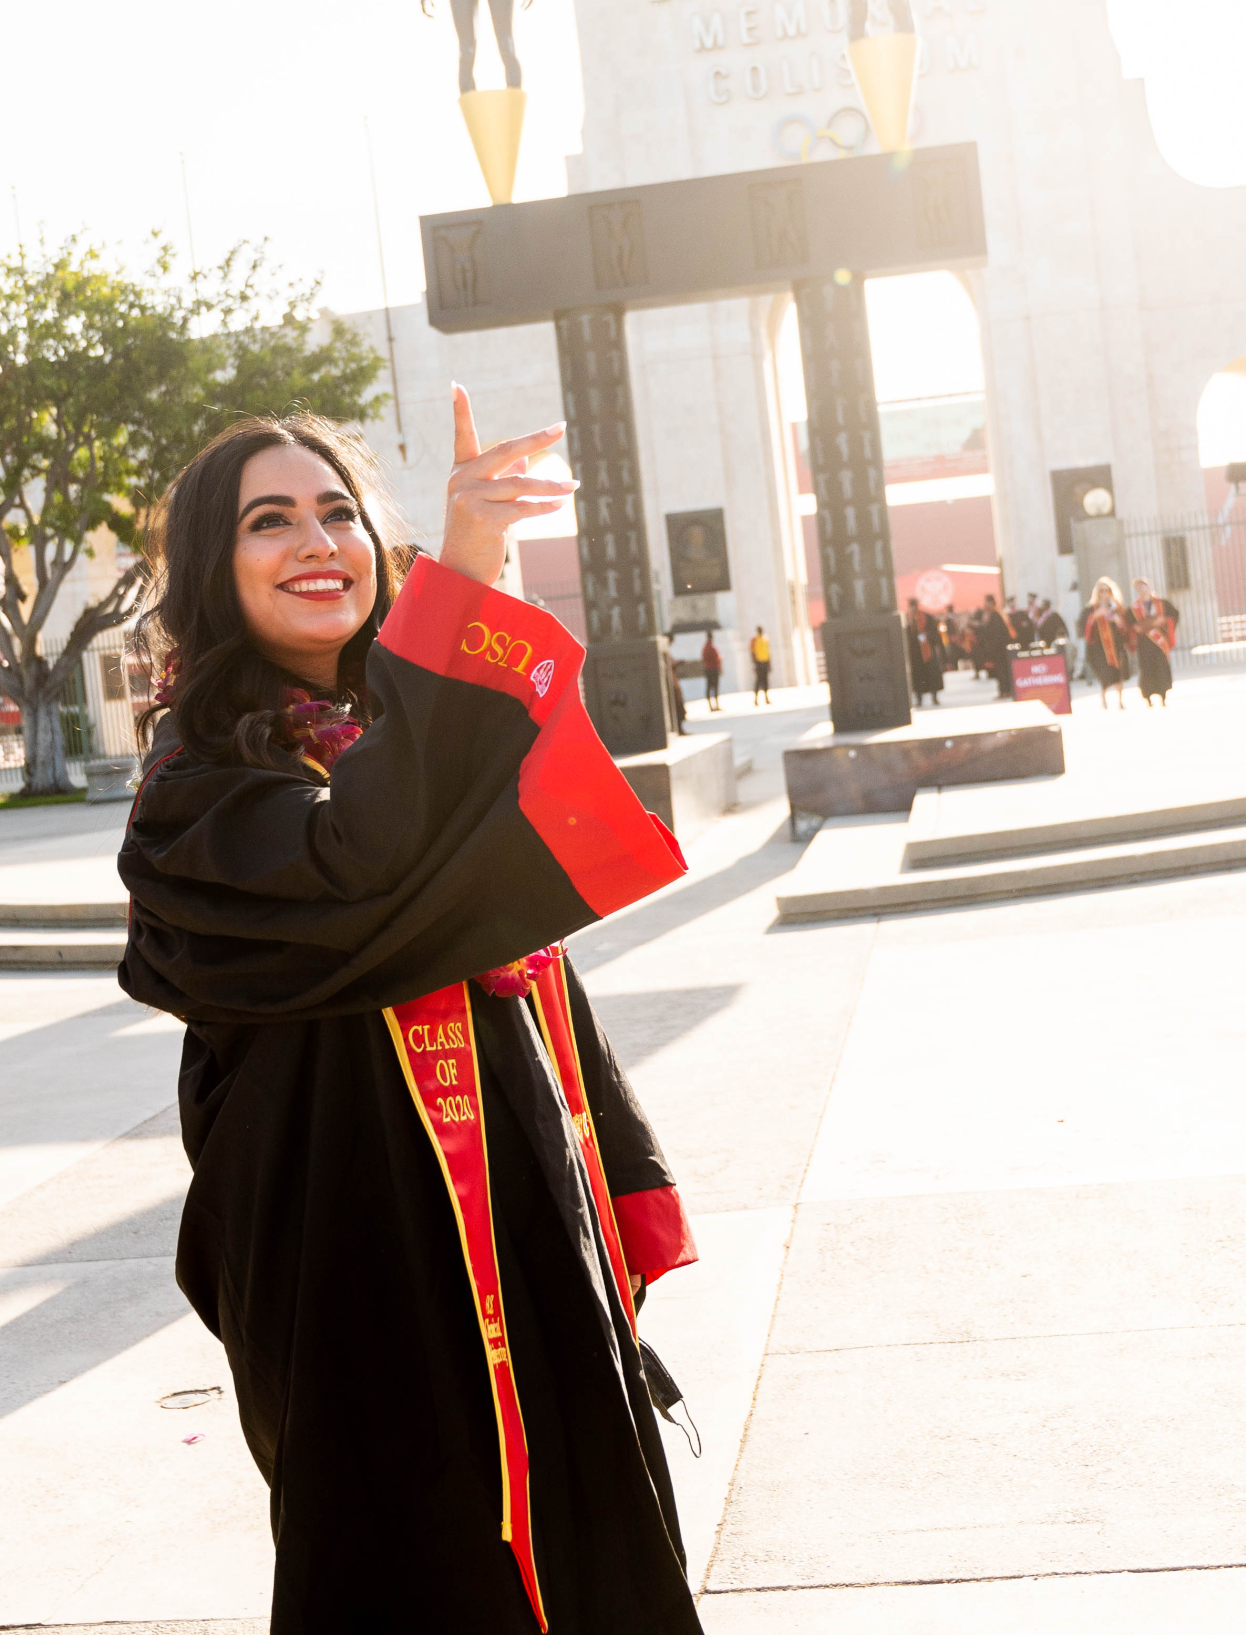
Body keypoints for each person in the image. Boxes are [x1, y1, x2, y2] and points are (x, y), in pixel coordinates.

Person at [117, 393, 702, 1635]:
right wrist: (465, 584)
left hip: (525, 1233)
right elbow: (358, 861)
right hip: (361, 1269)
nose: (317, 541)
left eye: (339, 512)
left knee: (582, 1536)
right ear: (216, 575)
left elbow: (534, 972)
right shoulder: (195, 795)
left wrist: (617, 1185)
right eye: (268, 522)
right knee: (421, 1560)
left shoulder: (413, 731)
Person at [1084, 576, 1132, 709]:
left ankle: (1120, 701)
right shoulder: (1092, 608)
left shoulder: (1117, 607)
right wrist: (1095, 616)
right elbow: (1084, 626)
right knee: (1105, 673)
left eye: (1107, 591)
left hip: (1116, 645)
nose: (1104, 594)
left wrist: (1118, 621)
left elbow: (1125, 626)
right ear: (1097, 593)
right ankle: (1103, 697)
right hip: (1099, 647)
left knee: (1118, 672)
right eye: (1101, 591)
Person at [1131, 575, 1179, 706]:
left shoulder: (1161, 603)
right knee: (1146, 669)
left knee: (1161, 668)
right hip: (1144, 644)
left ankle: (1163, 696)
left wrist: (1163, 621)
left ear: (1148, 586)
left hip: (1159, 643)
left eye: (1143, 585)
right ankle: (1148, 698)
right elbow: (1130, 625)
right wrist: (1137, 628)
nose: (1142, 588)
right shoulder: (1134, 607)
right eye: (1139, 586)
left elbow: (1174, 615)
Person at [905, 597, 945, 705]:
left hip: (927, 650)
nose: (912, 608)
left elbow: (936, 634)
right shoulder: (906, 619)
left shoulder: (927, 617)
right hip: (915, 653)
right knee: (917, 676)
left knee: (931, 674)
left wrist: (927, 635)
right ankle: (919, 699)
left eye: (914, 606)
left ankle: (934, 697)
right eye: (911, 606)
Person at [980, 593, 1015, 699]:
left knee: (1001, 670)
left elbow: (995, 633)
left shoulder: (995, 615)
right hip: (999, 647)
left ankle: (1004, 691)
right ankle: (1005, 690)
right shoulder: (996, 613)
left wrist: (992, 648)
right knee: (1001, 670)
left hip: (998, 648)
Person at [701, 629, 722, 711]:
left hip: (708, 669)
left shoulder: (705, 648)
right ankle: (715, 705)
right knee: (714, 688)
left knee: (709, 688)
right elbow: (717, 659)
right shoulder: (712, 648)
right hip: (713, 669)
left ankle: (711, 706)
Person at [750, 625, 772, 705]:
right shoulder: (754, 640)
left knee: (765, 681)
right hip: (758, 663)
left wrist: (769, 664)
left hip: (765, 662)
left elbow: (768, 652)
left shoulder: (765, 638)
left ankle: (766, 698)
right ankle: (756, 699)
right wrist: (754, 665)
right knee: (758, 681)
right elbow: (752, 653)